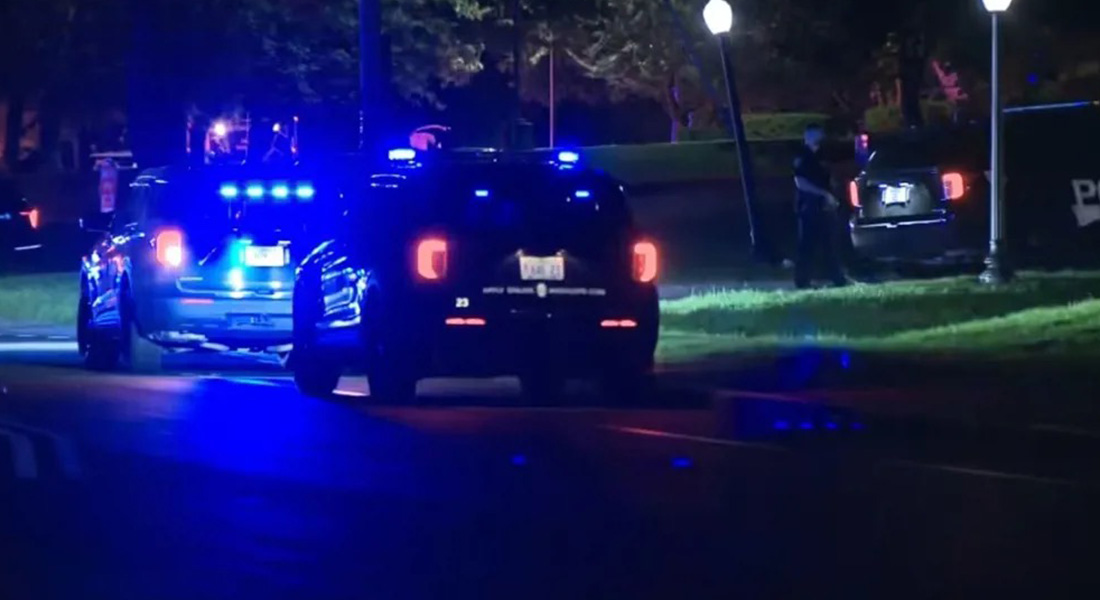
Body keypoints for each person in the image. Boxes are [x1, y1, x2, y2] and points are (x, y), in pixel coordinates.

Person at [792, 123, 847, 289]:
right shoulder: (802, 156)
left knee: (829, 243)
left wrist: (832, 193)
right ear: (809, 136)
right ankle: (802, 280)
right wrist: (824, 194)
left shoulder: (821, 155)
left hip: (824, 206)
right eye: (818, 134)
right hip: (809, 206)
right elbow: (800, 182)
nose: (821, 137)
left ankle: (837, 278)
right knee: (807, 244)